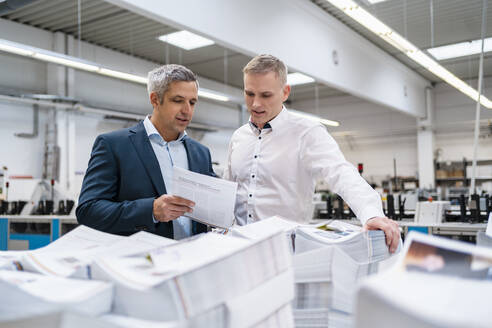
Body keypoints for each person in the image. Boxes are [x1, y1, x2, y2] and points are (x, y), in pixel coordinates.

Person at [224, 54, 400, 252]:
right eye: (249, 94)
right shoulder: (238, 137)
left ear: (285, 92)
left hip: (286, 253)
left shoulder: (306, 133)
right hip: (238, 249)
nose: (255, 104)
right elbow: (228, 190)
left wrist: (371, 214)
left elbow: (340, 172)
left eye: (266, 95)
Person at [76, 64, 215, 240]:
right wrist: (150, 211)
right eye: (178, 100)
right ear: (155, 99)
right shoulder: (114, 145)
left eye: (192, 102)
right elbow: (88, 211)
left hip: (193, 259)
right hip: (140, 261)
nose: (187, 110)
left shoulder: (201, 153)